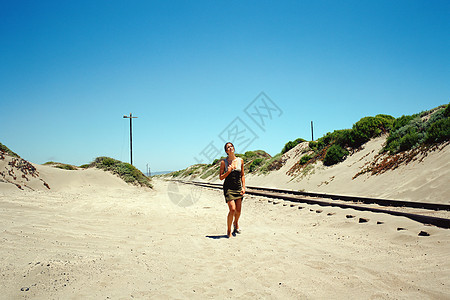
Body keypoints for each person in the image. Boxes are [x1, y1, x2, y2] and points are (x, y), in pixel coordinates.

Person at [219, 142, 245, 238]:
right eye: (228, 147)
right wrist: (228, 171)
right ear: (226, 151)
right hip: (228, 188)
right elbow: (221, 177)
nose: (230, 148)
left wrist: (243, 187)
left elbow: (242, 175)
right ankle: (229, 230)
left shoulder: (240, 160)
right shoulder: (223, 162)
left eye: (231, 146)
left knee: (238, 211)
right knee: (232, 209)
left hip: (238, 187)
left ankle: (236, 223)